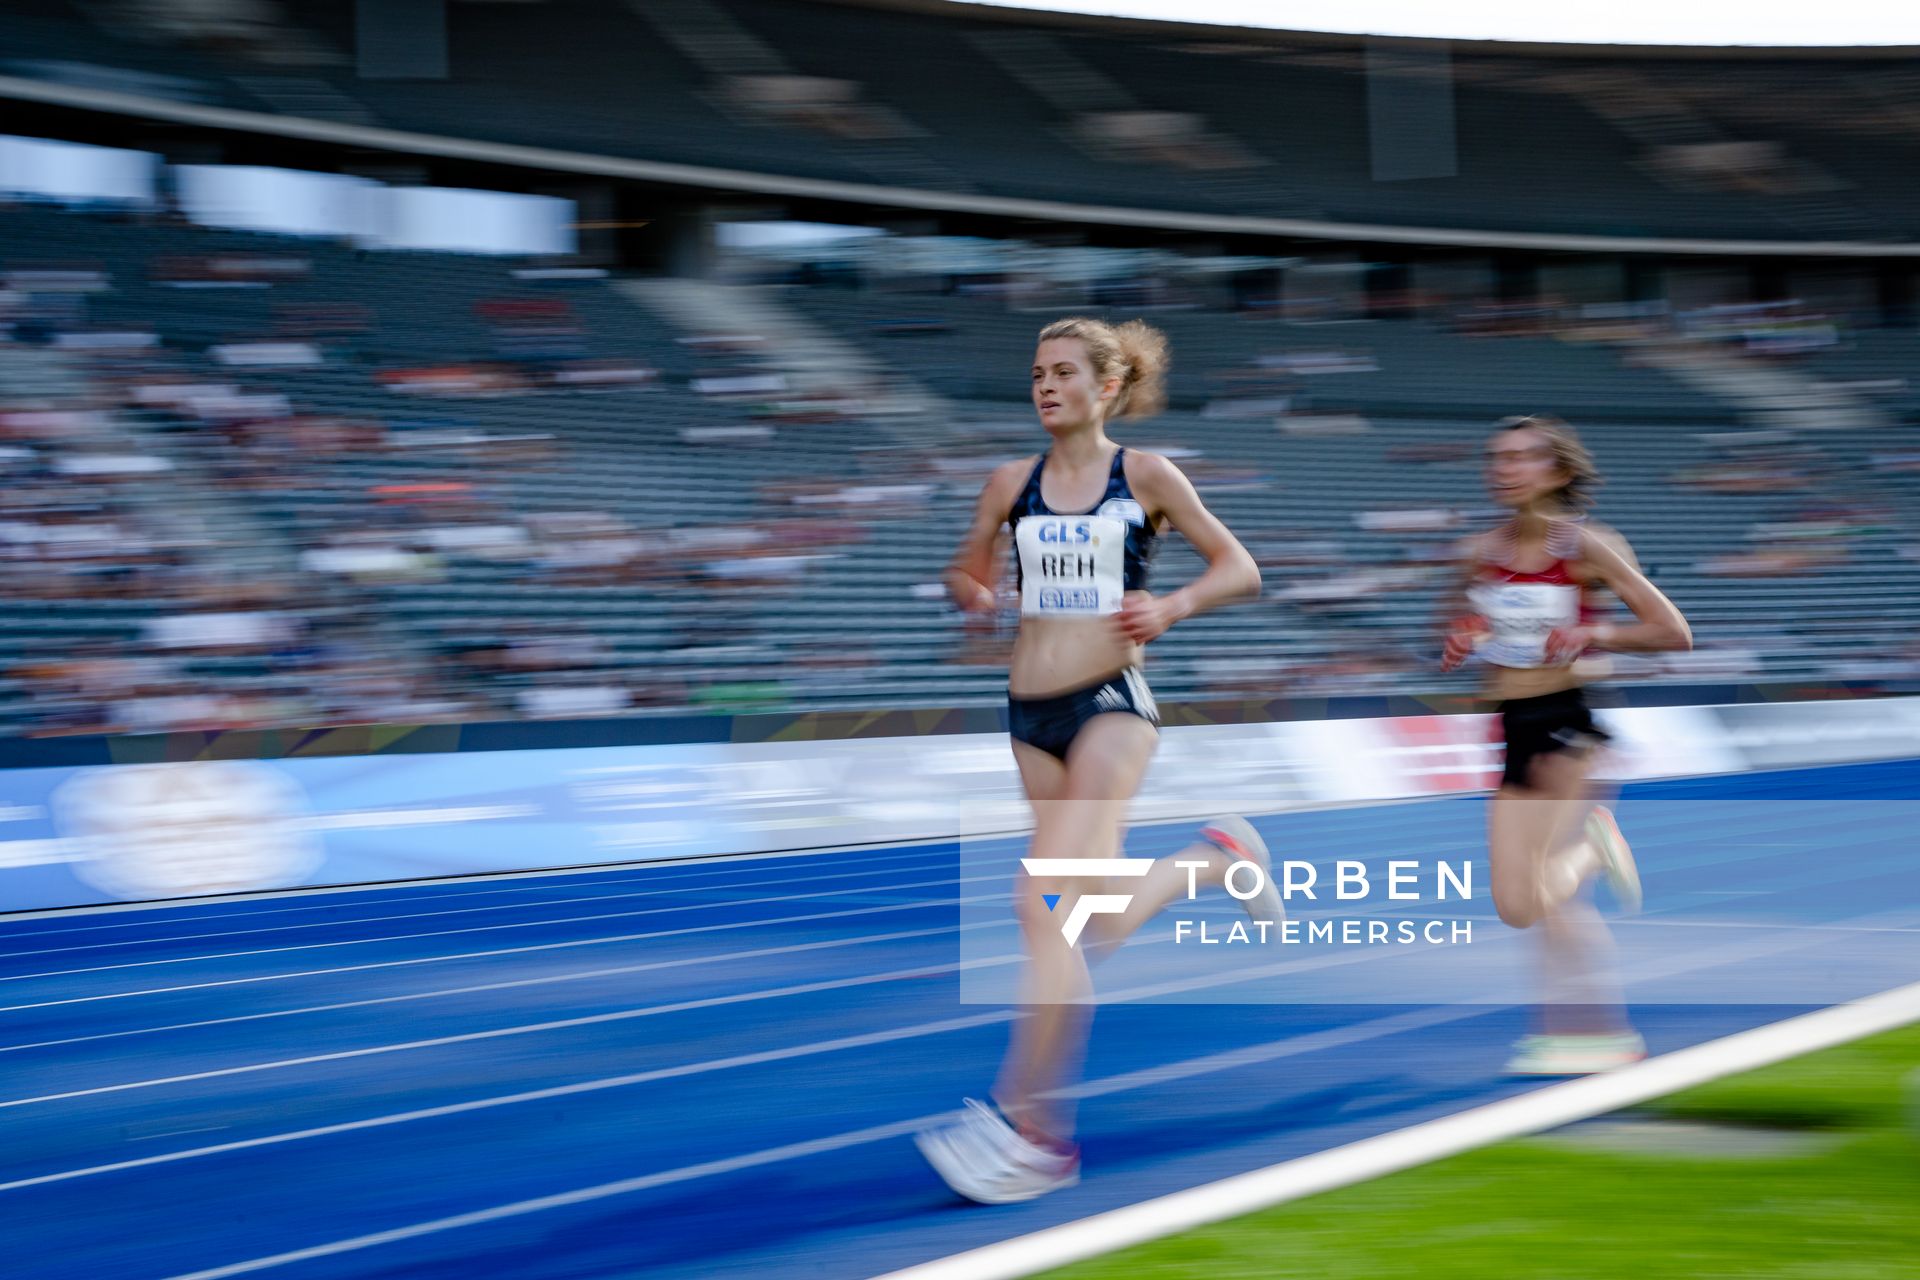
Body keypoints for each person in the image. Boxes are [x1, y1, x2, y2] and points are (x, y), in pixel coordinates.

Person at [914, 317, 1271, 1204]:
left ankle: (1035, 1130)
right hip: (1029, 715)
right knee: (1091, 922)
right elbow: (967, 569)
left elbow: (1241, 567)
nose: (1044, 386)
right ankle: (1213, 862)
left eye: (1063, 372)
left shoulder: (1144, 475)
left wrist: (1174, 606)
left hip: (1113, 706)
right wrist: (972, 589)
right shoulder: (1009, 483)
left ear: (1106, 389)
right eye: (1036, 372)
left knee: (1040, 909)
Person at [1442, 414, 1693, 1075]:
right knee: (1517, 906)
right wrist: (1464, 637)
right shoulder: (1478, 552)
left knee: (1553, 897)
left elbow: (1671, 631)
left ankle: (1597, 1037)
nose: (1505, 468)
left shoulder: (1587, 546)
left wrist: (1595, 637)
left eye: (1523, 457)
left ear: (1556, 472)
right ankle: (1595, 847)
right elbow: (1462, 626)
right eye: (1498, 457)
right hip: (1510, 728)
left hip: (1567, 722)